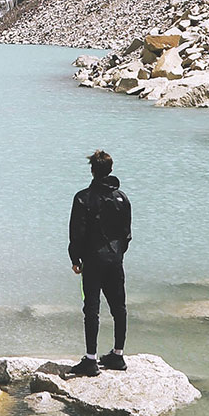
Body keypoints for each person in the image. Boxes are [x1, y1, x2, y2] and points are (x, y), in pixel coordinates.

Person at [68, 149, 131, 376]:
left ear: (93, 170)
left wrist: (75, 259)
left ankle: (91, 360)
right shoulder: (122, 198)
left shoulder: (83, 198)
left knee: (91, 309)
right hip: (115, 260)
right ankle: (118, 355)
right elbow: (126, 235)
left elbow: (77, 233)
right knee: (119, 307)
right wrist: (117, 254)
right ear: (110, 170)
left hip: (93, 262)